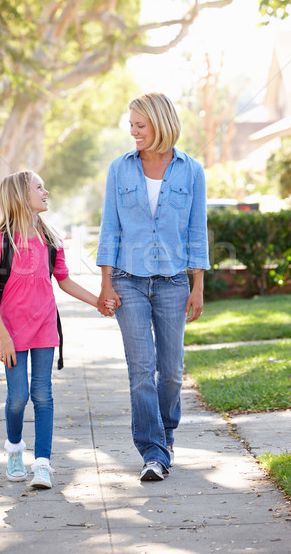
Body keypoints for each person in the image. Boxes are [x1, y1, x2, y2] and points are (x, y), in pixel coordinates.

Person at [96, 92, 210, 482]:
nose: (133, 132)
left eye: (139, 125)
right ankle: (153, 451)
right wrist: (105, 284)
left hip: (175, 282)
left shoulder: (191, 170)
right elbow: (109, 229)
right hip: (128, 280)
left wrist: (198, 285)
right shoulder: (120, 169)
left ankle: (166, 436)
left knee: (173, 371)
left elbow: (197, 230)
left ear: (160, 124)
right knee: (141, 371)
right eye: (131, 125)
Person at [0, 170, 115, 489]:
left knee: (42, 394)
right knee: (17, 398)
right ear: (20, 197)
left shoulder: (50, 238)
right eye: (39, 188)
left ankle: (42, 463)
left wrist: (97, 300)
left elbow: (64, 280)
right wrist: (2, 335)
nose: (46, 192)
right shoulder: (1, 240)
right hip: (11, 333)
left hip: (44, 327)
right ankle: (14, 448)